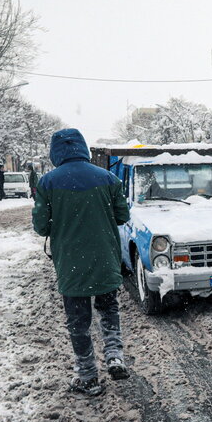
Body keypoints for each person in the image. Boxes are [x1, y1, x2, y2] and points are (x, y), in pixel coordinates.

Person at [32, 129, 131, 397]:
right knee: (109, 309)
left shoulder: (47, 183)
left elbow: (41, 226)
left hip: (71, 263)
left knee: (78, 321)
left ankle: (88, 377)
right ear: (83, 148)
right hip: (104, 258)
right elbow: (122, 215)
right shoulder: (108, 178)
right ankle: (114, 356)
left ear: (56, 152)